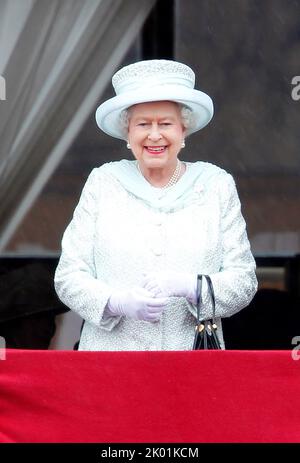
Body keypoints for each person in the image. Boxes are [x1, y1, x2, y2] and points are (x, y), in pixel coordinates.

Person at [54, 59, 257, 351]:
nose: (154, 135)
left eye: (165, 123)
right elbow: (69, 277)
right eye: (142, 124)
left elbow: (244, 281)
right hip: (111, 364)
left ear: (183, 130)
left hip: (190, 364)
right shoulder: (103, 182)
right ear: (128, 133)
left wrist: (192, 287)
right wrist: (117, 303)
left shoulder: (215, 185)